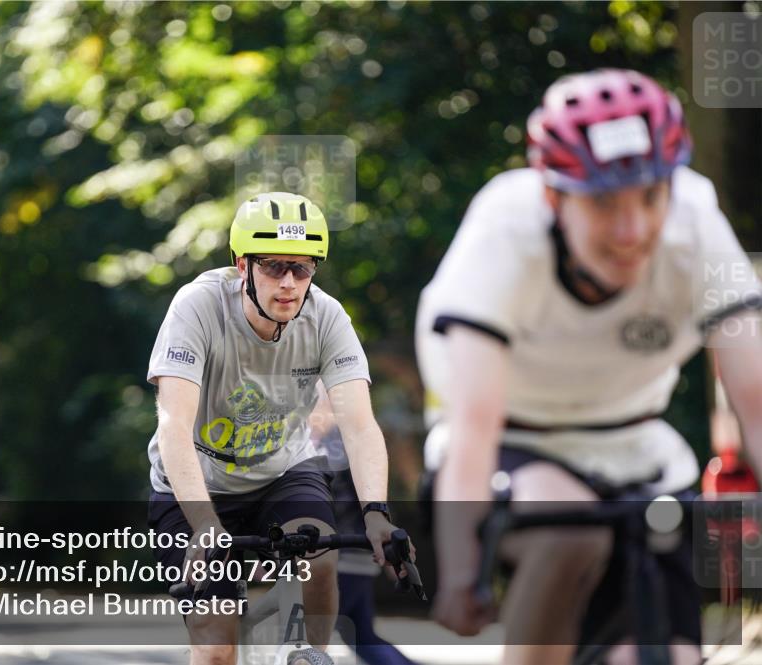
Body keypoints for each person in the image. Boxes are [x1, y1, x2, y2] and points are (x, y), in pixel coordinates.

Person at [415, 69, 762, 665]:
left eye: (650, 197)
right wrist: (459, 571)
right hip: (512, 443)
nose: (632, 231)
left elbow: (756, 400)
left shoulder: (696, 222)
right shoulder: (505, 229)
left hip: (637, 447)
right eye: (603, 202)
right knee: (568, 532)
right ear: (554, 198)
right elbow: (475, 424)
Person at [146, 192, 405, 665]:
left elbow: (359, 425)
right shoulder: (198, 306)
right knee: (216, 647)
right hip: (197, 480)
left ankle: (310, 656)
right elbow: (174, 425)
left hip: (283, 470)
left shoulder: (327, 317)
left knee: (319, 556)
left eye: (301, 269)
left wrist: (376, 513)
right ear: (243, 265)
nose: (288, 283)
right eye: (273, 266)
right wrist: (204, 523)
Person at [309, 382, 418, 665]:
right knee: (362, 637)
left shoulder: (334, 444)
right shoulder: (337, 440)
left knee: (305, 637)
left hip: (339, 557)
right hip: (356, 555)